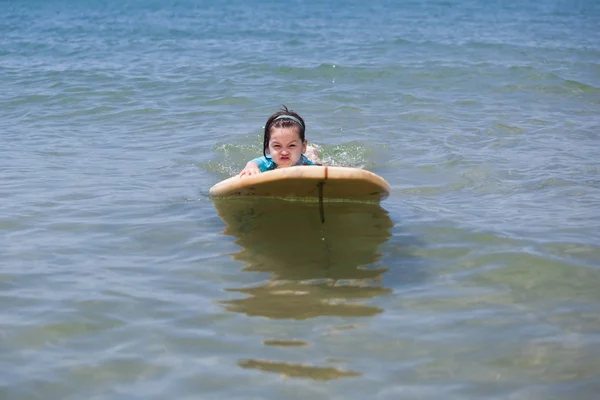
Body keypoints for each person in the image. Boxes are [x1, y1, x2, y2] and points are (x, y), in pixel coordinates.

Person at [238, 106, 321, 177]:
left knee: (314, 159)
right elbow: (253, 163)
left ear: (303, 147)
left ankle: (311, 151)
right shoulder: (268, 162)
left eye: (291, 145)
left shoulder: (308, 166)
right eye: (277, 146)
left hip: (302, 159)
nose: (284, 152)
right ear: (267, 147)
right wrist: (250, 167)